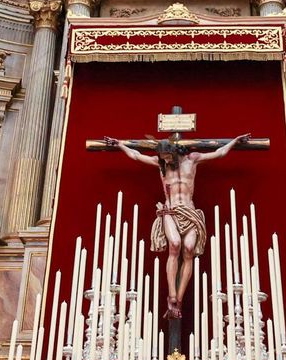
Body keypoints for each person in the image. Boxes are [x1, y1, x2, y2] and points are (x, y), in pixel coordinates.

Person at [104, 131, 249, 318]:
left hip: (190, 212)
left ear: (175, 152)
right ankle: (171, 294)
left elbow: (219, 153)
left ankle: (177, 300)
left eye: (168, 157)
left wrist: (234, 141)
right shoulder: (161, 165)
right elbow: (137, 155)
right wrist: (120, 145)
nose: (166, 161)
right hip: (170, 211)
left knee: (189, 249)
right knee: (175, 245)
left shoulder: (192, 160)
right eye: (163, 158)